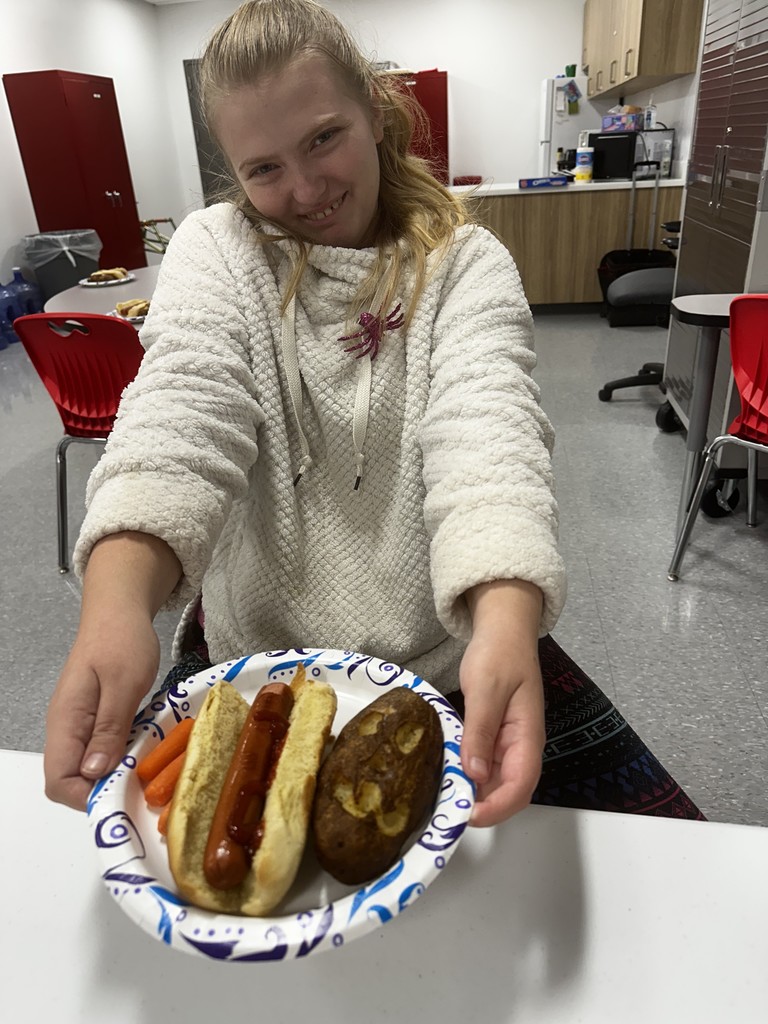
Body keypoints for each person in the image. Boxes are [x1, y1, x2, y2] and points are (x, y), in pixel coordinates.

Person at [44, 0, 704, 827]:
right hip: (259, 665)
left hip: (449, 653)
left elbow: (487, 441)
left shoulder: (463, 263)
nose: (307, 188)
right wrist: (114, 612)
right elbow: (180, 420)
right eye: (264, 168)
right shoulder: (216, 250)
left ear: (377, 113)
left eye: (324, 138)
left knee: (664, 858)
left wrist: (505, 624)